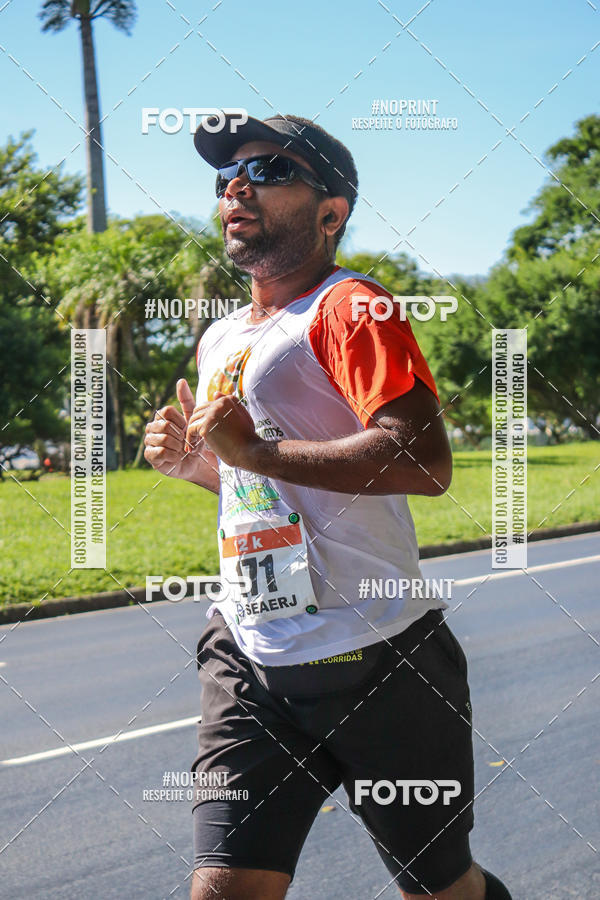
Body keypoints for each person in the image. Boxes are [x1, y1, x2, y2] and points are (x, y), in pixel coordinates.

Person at [143, 114, 513, 900]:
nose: (236, 186)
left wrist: (256, 453)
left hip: (378, 657)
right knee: (221, 888)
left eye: (270, 169)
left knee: (438, 887)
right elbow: (263, 484)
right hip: (249, 652)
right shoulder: (221, 337)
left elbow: (424, 461)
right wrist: (202, 468)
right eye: (226, 177)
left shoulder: (350, 306)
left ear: (330, 211)